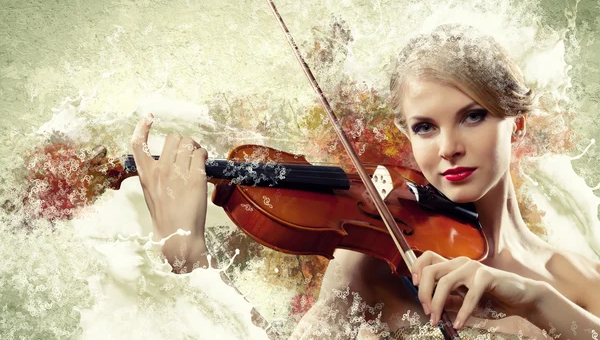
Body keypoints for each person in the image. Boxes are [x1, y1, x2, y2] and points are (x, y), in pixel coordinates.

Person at [130, 23, 600, 339]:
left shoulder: (574, 278)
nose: (448, 147)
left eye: (473, 116)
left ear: (515, 122)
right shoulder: (374, 270)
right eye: (425, 127)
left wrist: (534, 301)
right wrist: (186, 257)